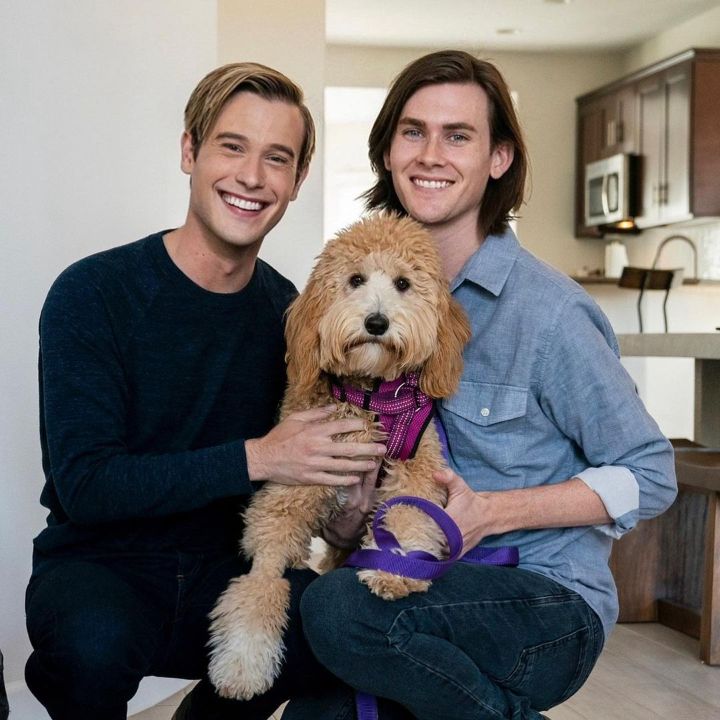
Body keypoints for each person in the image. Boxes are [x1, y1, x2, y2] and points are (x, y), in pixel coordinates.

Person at [284, 50, 678, 720]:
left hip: (545, 600)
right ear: (388, 151)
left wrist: (494, 512)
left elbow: (651, 474)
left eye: (458, 135)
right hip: (414, 588)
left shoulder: (548, 313)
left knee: (337, 610)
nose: (430, 154)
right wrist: (347, 511)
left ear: (498, 159)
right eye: (414, 132)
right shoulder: (364, 293)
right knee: (314, 695)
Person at [24, 62, 385, 720]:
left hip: (233, 573)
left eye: (277, 158)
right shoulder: (92, 293)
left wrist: (346, 510)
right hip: (101, 566)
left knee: (332, 624)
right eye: (231, 146)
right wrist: (260, 456)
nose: (252, 177)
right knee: (91, 644)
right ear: (190, 151)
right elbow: (87, 485)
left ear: (297, 181)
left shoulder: (294, 318)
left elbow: (304, 482)